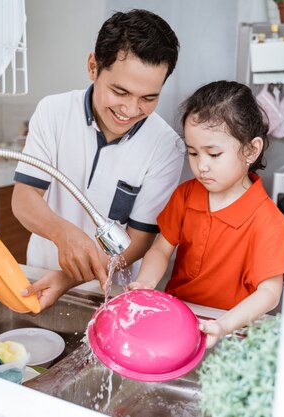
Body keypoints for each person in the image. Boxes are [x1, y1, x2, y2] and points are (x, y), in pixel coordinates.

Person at [12, 9, 183, 311]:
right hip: (39, 275)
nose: (130, 110)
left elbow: (139, 240)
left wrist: (67, 277)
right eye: (120, 91)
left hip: (113, 292)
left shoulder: (166, 147)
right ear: (93, 66)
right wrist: (61, 232)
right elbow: (24, 198)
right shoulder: (53, 113)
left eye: (148, 98)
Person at [128, 81, 284, 348]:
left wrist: (223, 325)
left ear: (251, 150)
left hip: (231, 333)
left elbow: (270, 293)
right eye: (192, 152)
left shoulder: (269, 223)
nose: (201, 166)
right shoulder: (186, 195)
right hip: (178, 322)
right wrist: (145, 283)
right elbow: (160, 250)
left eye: (214, 154)